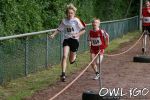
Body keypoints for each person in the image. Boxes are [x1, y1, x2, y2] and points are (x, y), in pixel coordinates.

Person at [49, 3, 85, 82]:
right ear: (66, 13)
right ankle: (63, 74)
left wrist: (77, 35)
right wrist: (53, 35)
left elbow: (83, 30)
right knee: (64, 56)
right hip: (67, 39)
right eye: (68, 13)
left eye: (71, 13)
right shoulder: (64, 21)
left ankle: (74, 57)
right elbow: (59, 29)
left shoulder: (76, 20)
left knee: (71, 61)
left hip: (75, 40)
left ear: (74, 13)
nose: (70, 14)